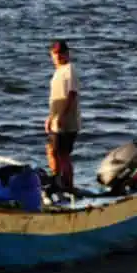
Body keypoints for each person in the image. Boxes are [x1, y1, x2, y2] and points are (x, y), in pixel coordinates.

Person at [45, 40, 81, 193]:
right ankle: (57, 180)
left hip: (67, 121)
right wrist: (50, 117)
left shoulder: (69, 69)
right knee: (52, 150)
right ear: (51, 55)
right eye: (55, 53)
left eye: (61, 53)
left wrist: (62, 116)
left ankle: (68, 186)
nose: (58, 56)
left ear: (67, 54)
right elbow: (55, 98)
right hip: (56, 121)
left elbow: (72, 94)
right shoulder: (57, 73)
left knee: (63, 154)